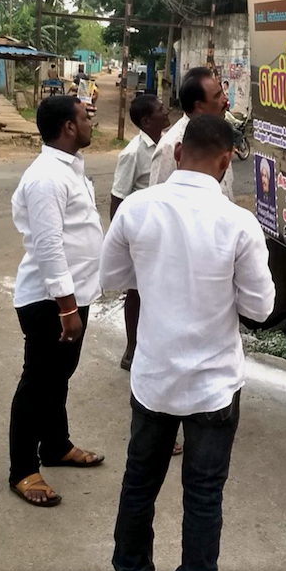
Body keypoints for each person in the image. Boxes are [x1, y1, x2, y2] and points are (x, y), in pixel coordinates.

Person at [100, 115, 275, 571]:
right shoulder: (239, 224)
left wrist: (158, 276)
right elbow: (260, 308)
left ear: (177, 153)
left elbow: (113, 279)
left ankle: (131, 567)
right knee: (203, 495)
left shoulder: (136, 209)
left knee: (139, 483)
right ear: (224, 161)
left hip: (154, 377)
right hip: (213, 384)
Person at [8, 95, 105, 507]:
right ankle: (23, 470)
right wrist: (67, 308)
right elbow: (48, 246)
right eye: (85, 118)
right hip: (50, 301)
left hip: (70, 295)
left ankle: (56, 445)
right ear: (68, 126)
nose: (90, 123)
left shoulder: (69, 168)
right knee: (39, 381)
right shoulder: (47, 176)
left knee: (58, 376)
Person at [109, 94, 170, 371]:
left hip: (163, 229)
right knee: (136, 291)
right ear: (147, 121)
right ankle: (131, 349)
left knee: (159, 290)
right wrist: (122, 243)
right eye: (160, 109)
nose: (166, 110)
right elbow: (118, 198)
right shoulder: (133, 153)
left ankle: (154, 346)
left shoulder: (167, 146)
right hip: (141, 232)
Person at [150, 66, 231, 199]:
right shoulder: (170, 145)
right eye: (217, 96)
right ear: (199, 106)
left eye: (222, 92)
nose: (225, 100)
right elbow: (158, 202)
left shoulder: (220, 135)